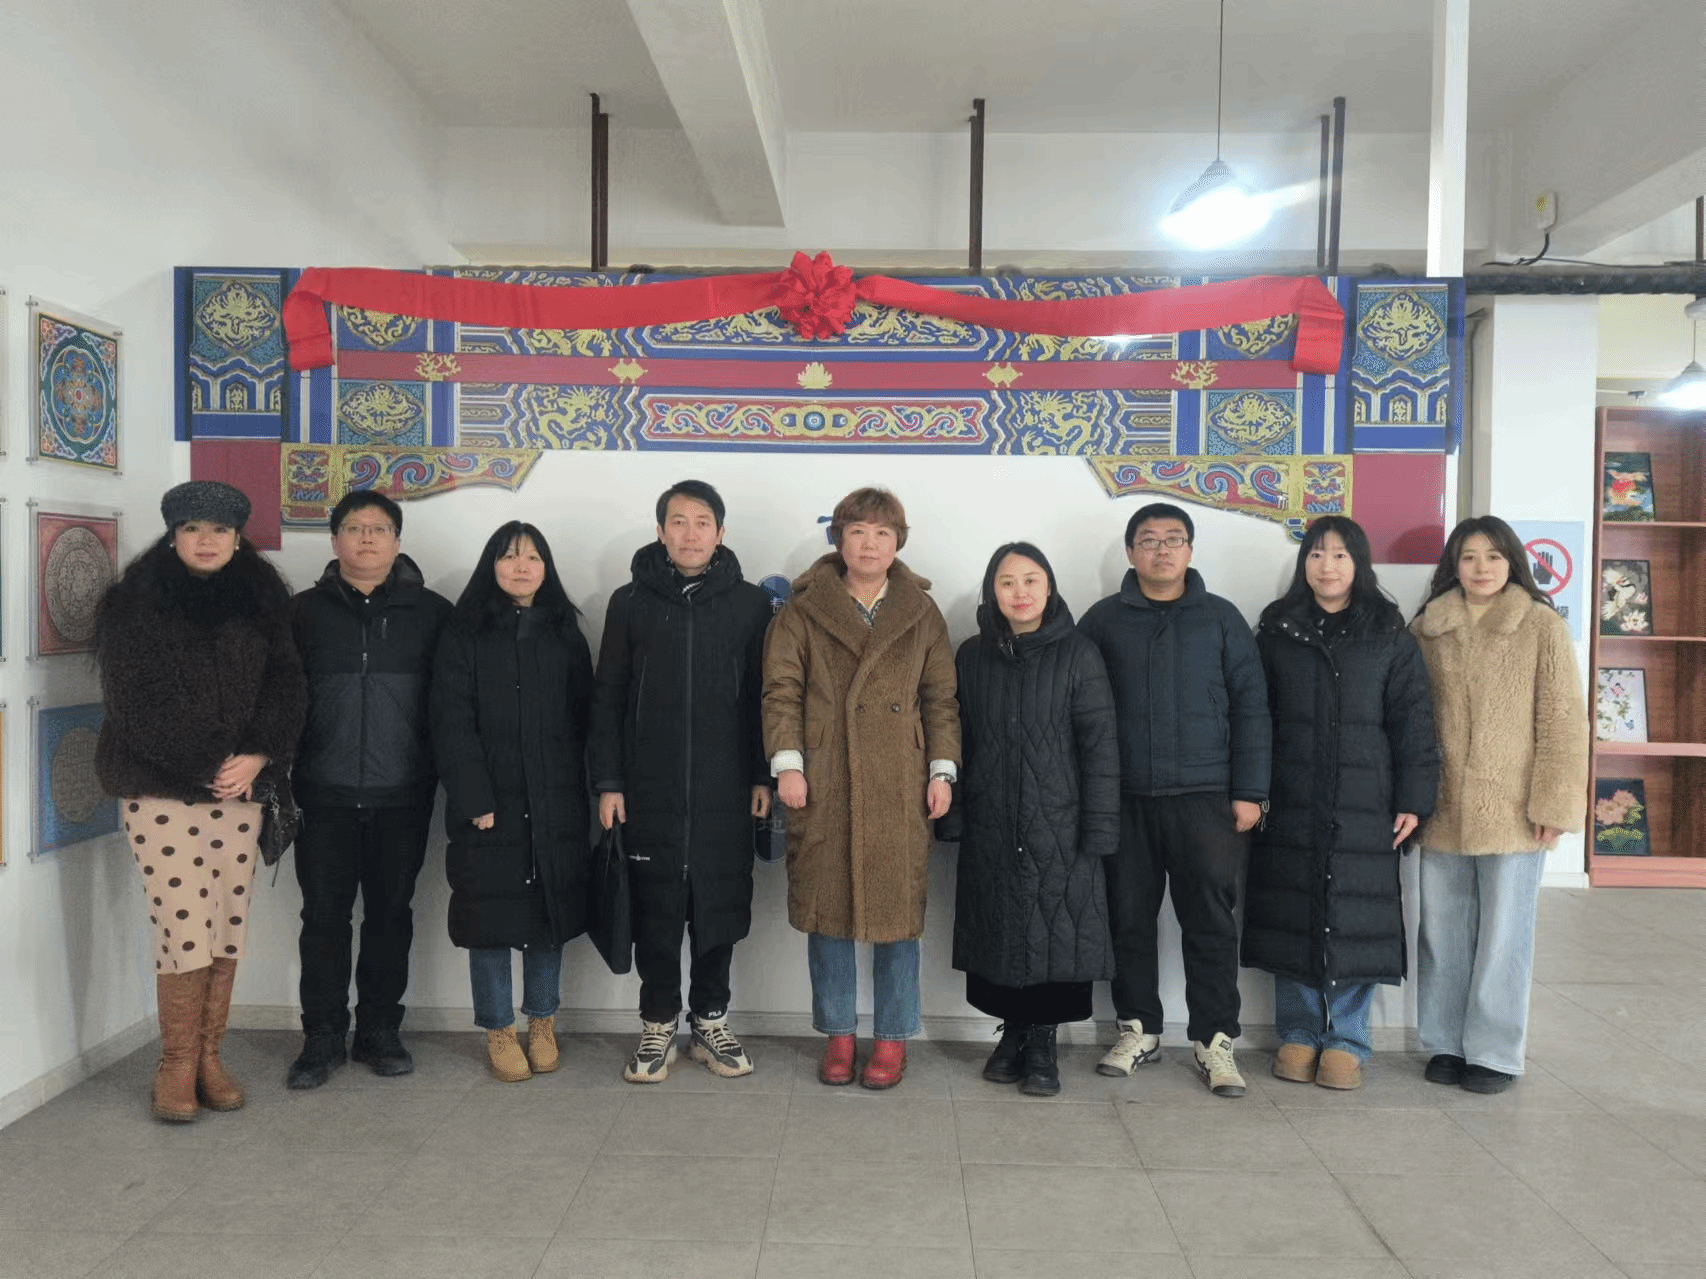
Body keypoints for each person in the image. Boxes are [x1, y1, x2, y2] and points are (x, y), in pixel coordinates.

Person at [94, 481, 307, 1121]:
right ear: (173, 535)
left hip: (238, 791)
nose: (206, 540)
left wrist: (261, 754)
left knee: (226, 925)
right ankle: (176, 1064)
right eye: (192, 528)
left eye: (219, 529)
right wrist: (208, 763)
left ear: (238, 537)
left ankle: (210, 1057)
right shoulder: (132, 604)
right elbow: (134, 704)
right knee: (184, 927)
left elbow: (286, 685)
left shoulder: (263, 598)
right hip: (159, 790)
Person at [763, 487, 959, 1089]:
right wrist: (788, 764)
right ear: (838, 538)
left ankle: (893, 1038)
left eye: (882, 533)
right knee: (829, 912)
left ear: (898, 542)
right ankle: (839, 1035)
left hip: (901, 777)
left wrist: (942, 771)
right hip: (827, 774)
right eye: (857, 531)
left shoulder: (921, 612)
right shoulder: (802, 610)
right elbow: (781, 692)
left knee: (898, 916)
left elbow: (940, 699)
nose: (869, 544)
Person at [1078, 502, 1270, 1097]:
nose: (1161, 550)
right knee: (1127, 917)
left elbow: (1252, 708)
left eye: (1173, 539)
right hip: (1125, 797)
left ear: (1190, 550)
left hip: (1206, 798)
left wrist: (1251, 792)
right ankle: (1138, 1030)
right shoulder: (1102, 621)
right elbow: (1078, 709)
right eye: (1149, 540)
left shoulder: (1222, 618)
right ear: (1130, 552)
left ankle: (1215, 1040)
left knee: (1210, 922)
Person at [1242, 516, 1438, 1091]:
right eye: (1316, 554)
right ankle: (1300, 1033)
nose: (1327, 566)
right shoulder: (1276, 630)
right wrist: (1252, 789)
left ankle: (1348, 1040)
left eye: (1340, 555)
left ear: (1359, 564)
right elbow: (1254, 718)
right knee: (1291, 915)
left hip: (1366, 801)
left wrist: (1414, 797)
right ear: (1302, 562)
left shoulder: (1389, 634)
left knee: (1359, 917)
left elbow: (1414, 722)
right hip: (1289, 798)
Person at [591, 480, 774, 1083]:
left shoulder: (750, 605)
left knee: (720, 903)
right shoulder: (629, 602)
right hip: (649, 787)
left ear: (720, 533)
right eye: (678, 521)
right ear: (661, 530)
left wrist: (760, 774)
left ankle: (711, 1019)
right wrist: (609, 780)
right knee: (657, 908)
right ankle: (657, 1023)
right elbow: (609, 694)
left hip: (727, 787)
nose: (690, 533)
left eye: (702, 522)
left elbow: (763, 697)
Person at [1410, 515, 1587, 1094]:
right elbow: (1411, 717)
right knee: (1442, 932)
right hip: (1443, 806)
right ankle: (1444, 1042)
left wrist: (1553, 803)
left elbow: (1563, 719)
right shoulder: (1429, 627)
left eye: (1493, 556)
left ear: (1513, 562)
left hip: (1513, 809)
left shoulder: (1540, 624)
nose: (1481, 568)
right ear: (1453, 565)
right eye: (1468, 557)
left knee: (1504, 936)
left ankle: (1494, 1052)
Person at [287, 491, 453, 1088]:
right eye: (354, 528)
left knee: (390, 916)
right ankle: (322, 1037)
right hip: (322, 794)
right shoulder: (301, 613)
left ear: (397, 541)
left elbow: (451, 706)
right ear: (334, 541)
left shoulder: (433, 613)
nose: (366, 538)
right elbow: (280, 701)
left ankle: (380, 1031)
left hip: (403, 794)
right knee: (323, 918)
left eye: (379, 529)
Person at [945, 543, 1119, 1097]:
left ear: (1049, 587)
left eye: (1031, 580)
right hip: (992, 821)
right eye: (1007, 582)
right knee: (1000, 929)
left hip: (1061, 825)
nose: (1019, 592)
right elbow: (957, 740)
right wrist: (955, 816)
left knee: (1057, 929)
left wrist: (1100, 828)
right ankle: (1013, 1032)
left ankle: (1043, 1040)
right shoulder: (972, 656)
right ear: (991, 591)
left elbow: (1100, 747)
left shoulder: (1079, 654)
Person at [432, 522, 595, 1081]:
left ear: (546, 568)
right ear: (491, 565)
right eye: (508, 557)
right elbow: (450, 721)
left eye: (532, 558)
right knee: (489, 918)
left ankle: (542, 1022)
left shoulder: (564, 632)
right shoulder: (463, 632)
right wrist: (473, 795)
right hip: (488, 804)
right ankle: (499, 1029)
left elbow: (585, 720)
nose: (521, 568)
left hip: (556, 801)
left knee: (548, 914)